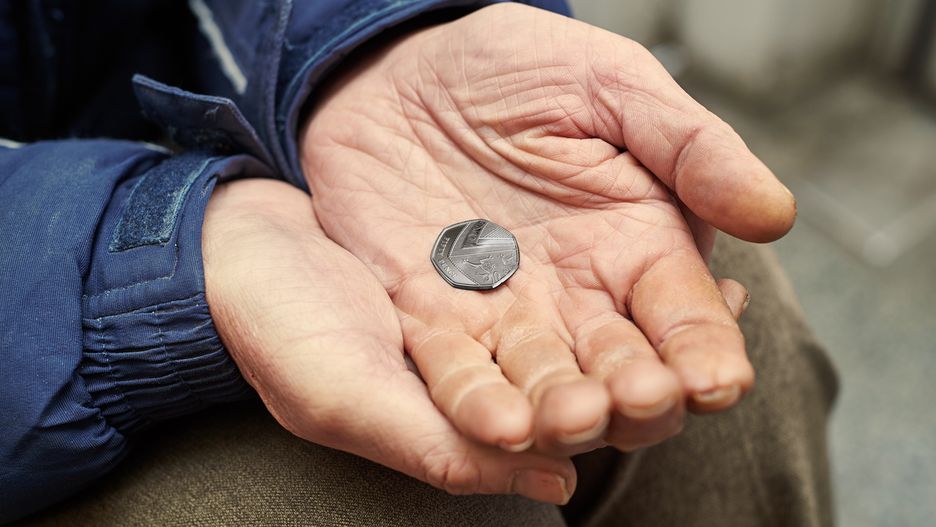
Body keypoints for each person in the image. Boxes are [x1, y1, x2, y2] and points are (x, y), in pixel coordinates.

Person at [0, 1, 838, 525]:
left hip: (238, 116)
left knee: (710, 301)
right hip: (50, 297)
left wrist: (373, 36)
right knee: (447, 508)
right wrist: (155, 249)